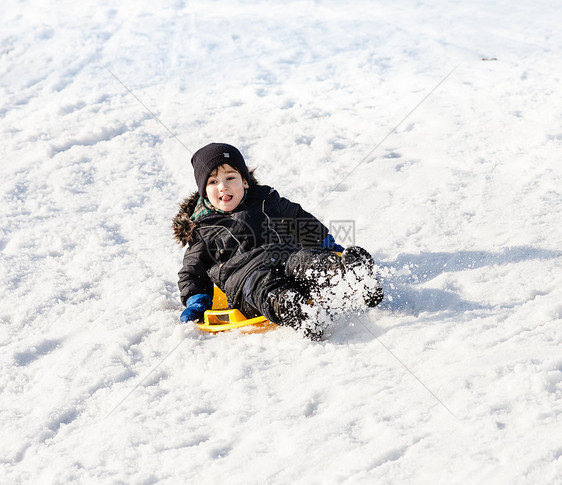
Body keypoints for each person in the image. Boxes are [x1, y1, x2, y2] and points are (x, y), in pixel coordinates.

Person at [173, 142, 383, 340]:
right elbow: (192, 270)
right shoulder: (202, 229)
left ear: (244, 181)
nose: (223, 187)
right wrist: (196, 300)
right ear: (204, 192)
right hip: (247, 279)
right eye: (213, 182)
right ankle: (296, 312)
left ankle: (351, 277)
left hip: (285, 256)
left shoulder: (265, 200)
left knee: (305, 260)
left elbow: (298, 219)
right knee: (264, 286)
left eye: (230, 178)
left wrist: (326, 243)